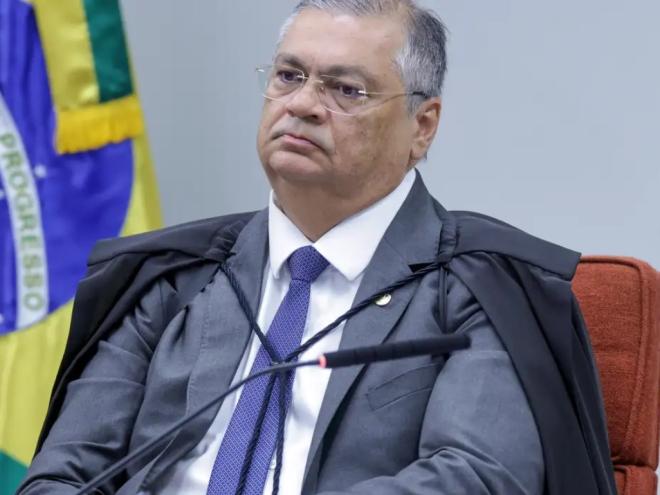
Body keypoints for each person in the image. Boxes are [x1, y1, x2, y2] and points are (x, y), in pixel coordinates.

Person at [19, 1, 616, 494]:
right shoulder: (170, 278)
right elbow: (60, 477)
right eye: (289, 76)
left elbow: (476, 477)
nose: (302, 105)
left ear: (423, 126)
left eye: (346, 89)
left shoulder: (479, 286)